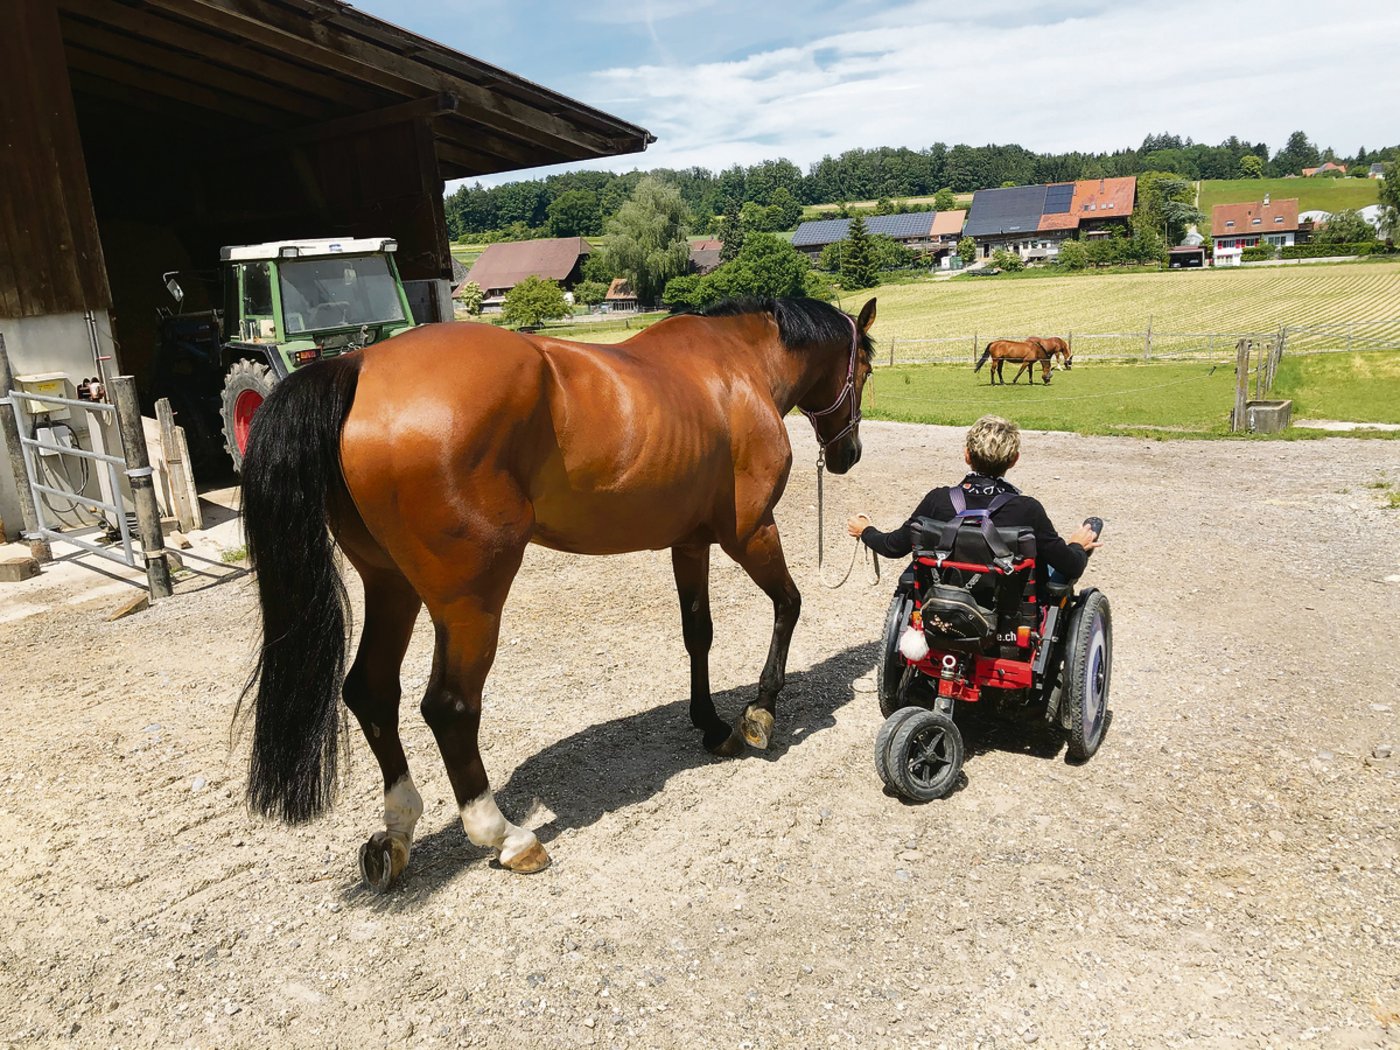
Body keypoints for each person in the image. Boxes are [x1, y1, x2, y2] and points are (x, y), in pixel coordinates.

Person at [846, 415, 1101, 584]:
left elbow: (893, 547)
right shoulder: (1027, 509)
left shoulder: (938, 500)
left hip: (945, 602)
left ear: (967, 455)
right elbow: (1071, 566)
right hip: (1011, 614)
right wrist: (1077, 546)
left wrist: (865, 530)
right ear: (1014, 460)